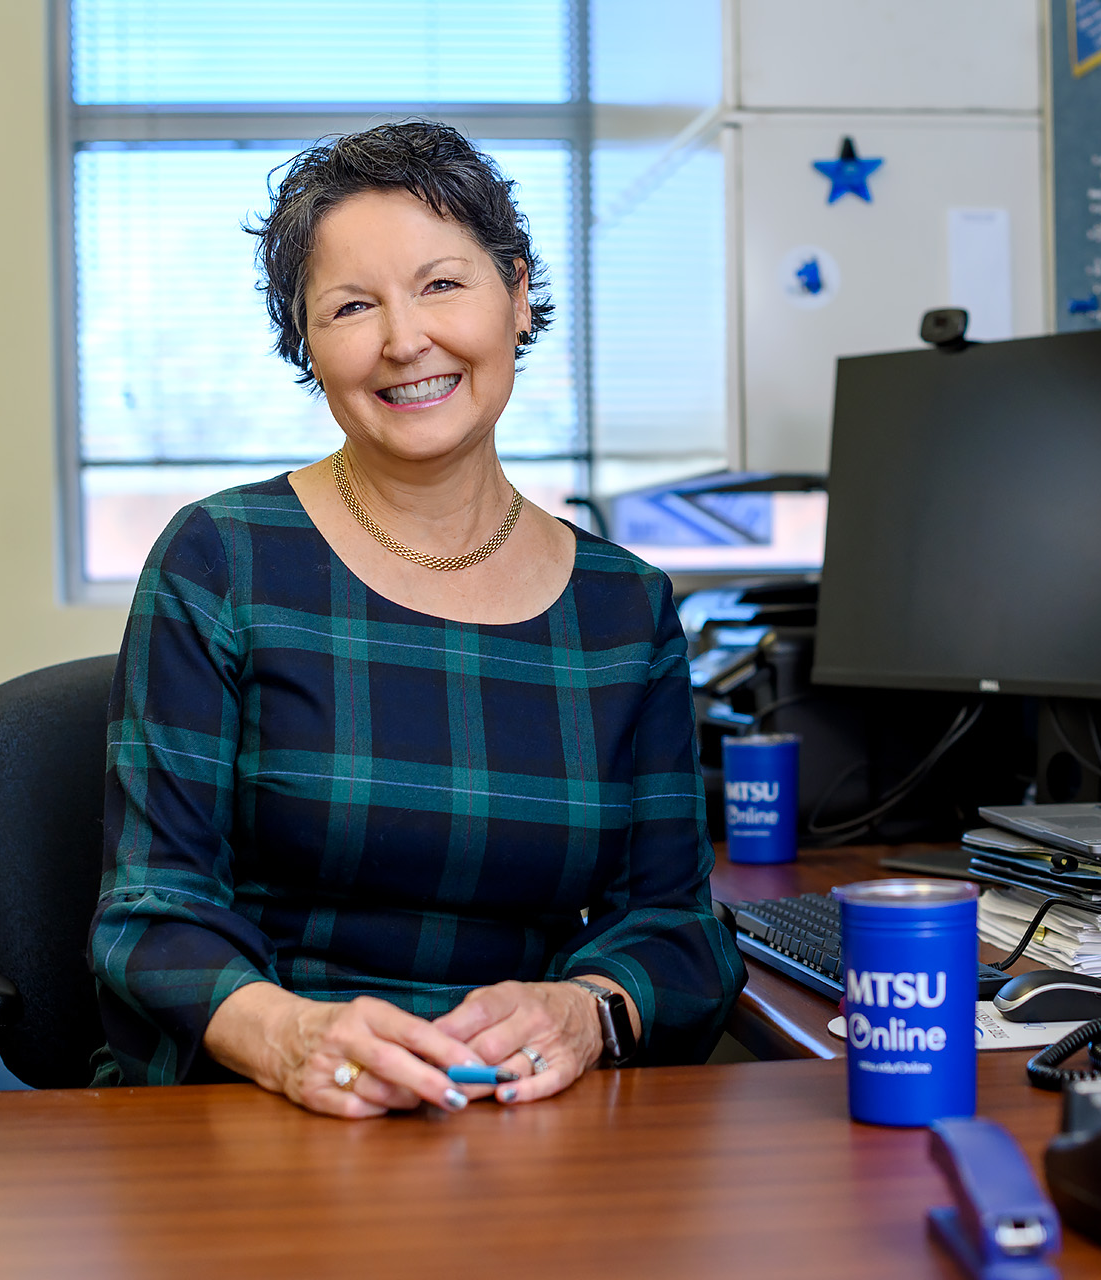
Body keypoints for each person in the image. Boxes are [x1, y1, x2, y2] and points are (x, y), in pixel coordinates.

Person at [88, 121, 745, 1118]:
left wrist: (586, 1008)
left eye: (442, 283)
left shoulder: (624, 606)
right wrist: (291, 1034)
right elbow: (151, 915)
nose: (404, 340)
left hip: (521, 1125)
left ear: (516, 296)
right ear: (307, 343)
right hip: (270, 1106)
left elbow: (674, 926)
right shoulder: (223, 558)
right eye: (353, 306)